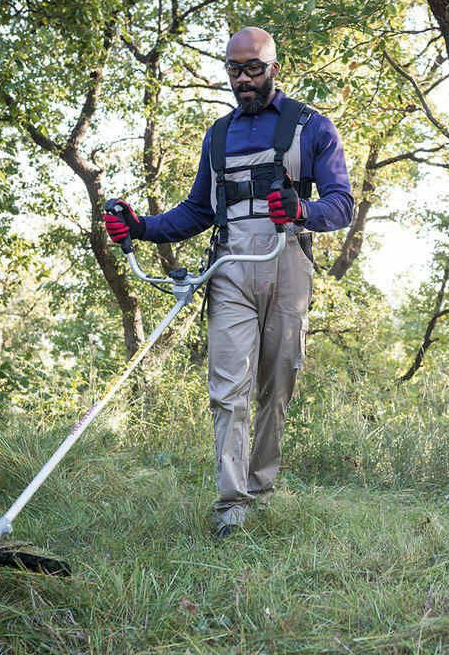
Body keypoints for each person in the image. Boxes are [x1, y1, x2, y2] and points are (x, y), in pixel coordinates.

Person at [104, 26, 353, 538]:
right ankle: (231, 504)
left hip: (287, 261)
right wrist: (142, 227)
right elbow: (198, 210)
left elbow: (341, 204)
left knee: (277, 383)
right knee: (228, 388)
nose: (242, 79)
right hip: (231, 267)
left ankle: (262, 486)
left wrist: (302, 208)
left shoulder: (311, 127)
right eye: (234, 69)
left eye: (253, 68)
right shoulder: (219, 135)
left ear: (273, 68)